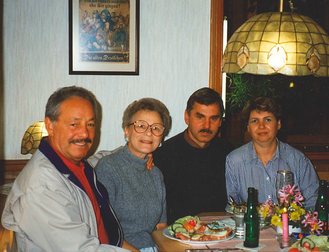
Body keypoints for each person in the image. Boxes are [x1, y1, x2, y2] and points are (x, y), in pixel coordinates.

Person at [1, 86, 134, 251]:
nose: (84, 133)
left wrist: (137, 151)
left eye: (90, 124)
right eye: (74, 124)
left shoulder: (73, 164)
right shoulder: (42, 186)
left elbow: (98, 158)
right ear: (50, 125)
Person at [96, 98, 171, 251]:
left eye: (156, 128)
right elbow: (103, 229)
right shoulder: (108, 168)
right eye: (141, 126)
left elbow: (161, 226)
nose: (149, 133)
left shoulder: (156, 174)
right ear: (126, 130)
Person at [153, 87, 234, 224]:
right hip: (179, 234)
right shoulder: (163, 154)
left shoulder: (229, 153)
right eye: (200, 117)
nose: (206, 125)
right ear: (187, 117)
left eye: (213, 118)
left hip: (222, 231)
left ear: (220, 121)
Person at [225, 96, 319, 210]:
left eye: (268, 119)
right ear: (248, 128)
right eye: (255, 121)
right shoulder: (234, 161)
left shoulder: (298, 160)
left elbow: (313, 203)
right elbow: (232, 207)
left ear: (278, 124)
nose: (261, 126)